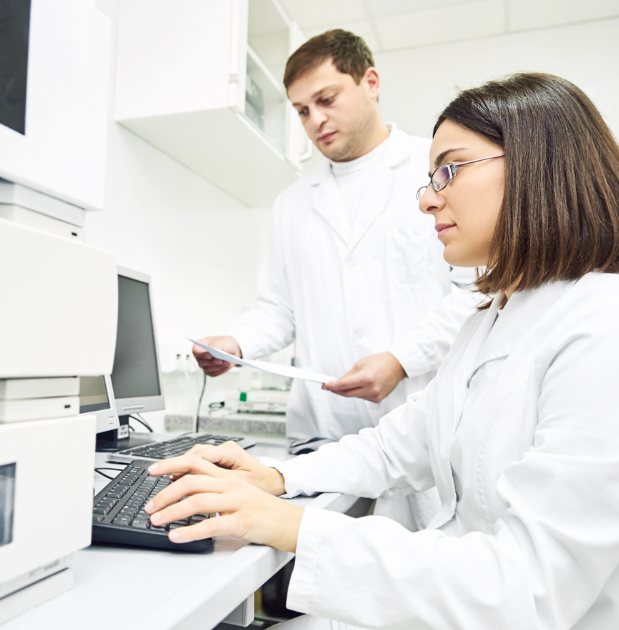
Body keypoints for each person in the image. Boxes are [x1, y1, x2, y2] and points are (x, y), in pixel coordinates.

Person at [150, 73, 619, 629]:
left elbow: (524, 590)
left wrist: (294, 527)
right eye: (429, 178)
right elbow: (405, 443)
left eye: (448, 171)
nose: (426, 200)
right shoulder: (497, 316)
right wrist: (277, 475)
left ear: (538, 168)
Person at [193, 30, 480, 531]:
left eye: (326, 99)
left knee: (413, 585)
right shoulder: (293, 204)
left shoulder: (431, 170)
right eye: (302, 110)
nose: (315, 120)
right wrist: (235, 343)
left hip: (418, 432)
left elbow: (475, 294)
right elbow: (278, 310)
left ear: (370, 82)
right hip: (324, 438)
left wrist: (399, 360)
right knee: (325, 587)